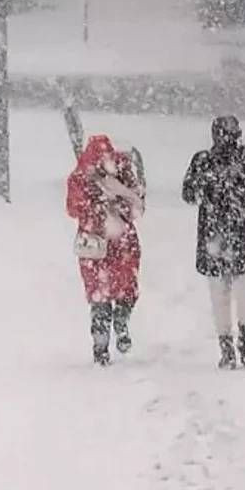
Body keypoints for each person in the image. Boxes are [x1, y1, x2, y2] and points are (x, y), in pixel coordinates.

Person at [182, 116, 245, 369]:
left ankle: (230, 345)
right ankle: (241, 343)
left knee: (221, 294)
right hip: (236, 234)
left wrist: (214, 185)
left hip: (217, 233)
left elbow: (189, 194)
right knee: (243, 293)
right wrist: (243, 189)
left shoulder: (204, 161)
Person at [66, 135, 146, 366]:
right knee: (123, 288)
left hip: (96, 244)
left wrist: (96, 207)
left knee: (99, 295)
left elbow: (73, 208)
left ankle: (101, 344)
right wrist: (111, 202)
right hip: (119, 243)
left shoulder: (81, 176)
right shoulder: (120, 172)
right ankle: (119, 323)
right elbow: (136, 206)